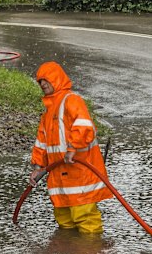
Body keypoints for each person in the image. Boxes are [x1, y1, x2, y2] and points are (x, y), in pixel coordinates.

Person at [29, 61, 112, 233]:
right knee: (64, 221)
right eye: (40, 81)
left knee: (86, 220)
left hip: (80, 175)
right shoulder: (48, 112)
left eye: (46, 80)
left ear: (57, 79)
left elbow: (84, 127)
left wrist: (72, 148)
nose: (42, 84)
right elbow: (42, 142)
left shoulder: (71, 100)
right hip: (60, 177)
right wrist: (38, 167)